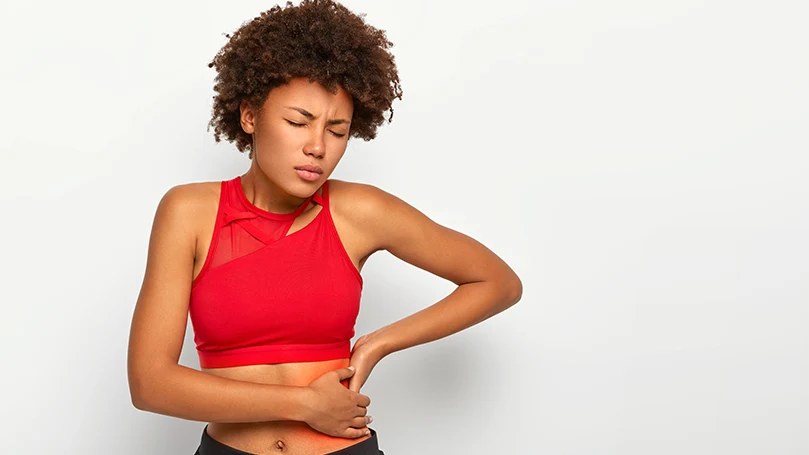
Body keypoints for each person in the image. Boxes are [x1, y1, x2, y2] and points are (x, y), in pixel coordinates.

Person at [126, 1, 523, 454]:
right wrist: (303, 405)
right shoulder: (189, 211)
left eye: (337, 131)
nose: (317, 146)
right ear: (250, 115)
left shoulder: (360, 211)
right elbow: (149, 383)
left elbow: (498, 283)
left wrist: (377, 343)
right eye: (298, 122)